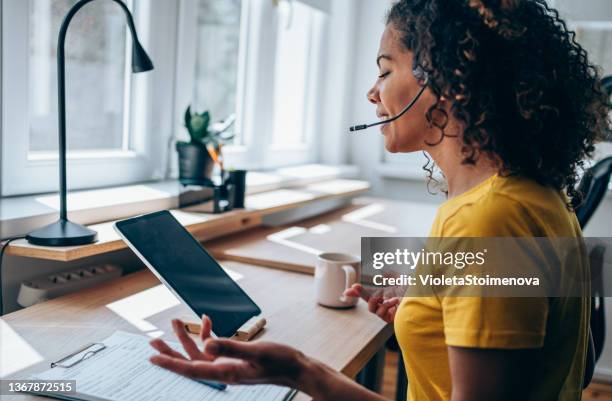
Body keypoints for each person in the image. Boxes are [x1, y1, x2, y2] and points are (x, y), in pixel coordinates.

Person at [149, 0, 610, 400]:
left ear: (448, 79)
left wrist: (302, 371)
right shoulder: (540, 196)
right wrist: (434, 303)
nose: (373, 92)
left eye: (386, 70)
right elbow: (573, 352)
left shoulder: (487, 219)